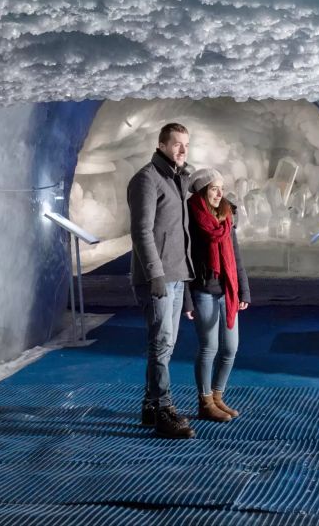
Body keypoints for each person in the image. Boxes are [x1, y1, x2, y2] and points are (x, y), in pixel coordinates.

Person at [127, 122, 196, 439]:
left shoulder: (176, 179)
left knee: (165, 345)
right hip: (157, 277)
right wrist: (154, 273)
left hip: (176, 276)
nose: (182, 149)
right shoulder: (147, 179)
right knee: (161, 343)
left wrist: (184, 278)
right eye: (177, 144)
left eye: (186, 144)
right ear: (162, 144)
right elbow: (142, 232)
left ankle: (150, 405)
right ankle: (165, 409)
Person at [183, 168, 250, 422]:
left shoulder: (227, 215)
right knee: (209, 347)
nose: (219, 193)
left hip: (227, 290)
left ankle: (218, 397)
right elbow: (184, 260)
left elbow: (235, 254)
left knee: (231, 348)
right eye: (213, 188)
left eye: (221, 188)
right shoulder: (190, 217)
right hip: (203, 291)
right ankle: (205, 401)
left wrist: (244, 289)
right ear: (202, 191)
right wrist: (187, 298)